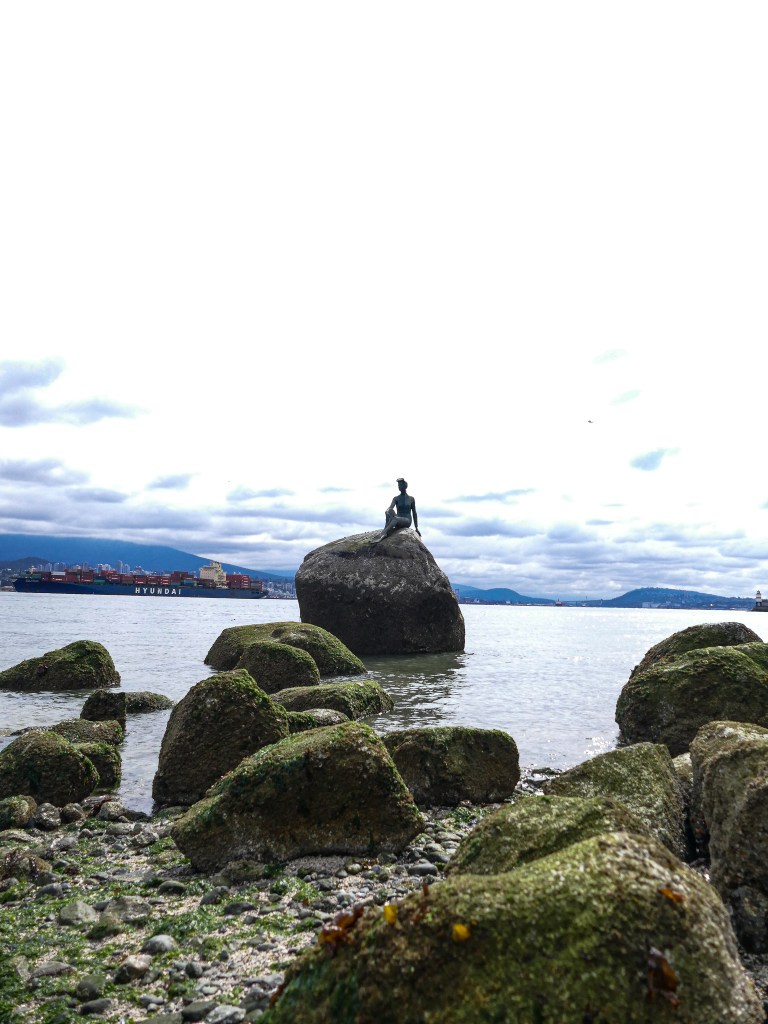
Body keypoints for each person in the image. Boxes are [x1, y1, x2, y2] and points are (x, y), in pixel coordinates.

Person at [375, 477, 420, 542]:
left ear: (405, 486)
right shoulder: (396, 498)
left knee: (396, 518)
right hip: (398, 519)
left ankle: (383, 533)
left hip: (407, 520)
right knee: (390, 511)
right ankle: (386, 529)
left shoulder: (411, 499)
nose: (399, 487)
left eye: (401, 485)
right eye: (398, 485)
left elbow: (414, 513)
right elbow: (391, 507)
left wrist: (416, 528)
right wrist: (388, 511)